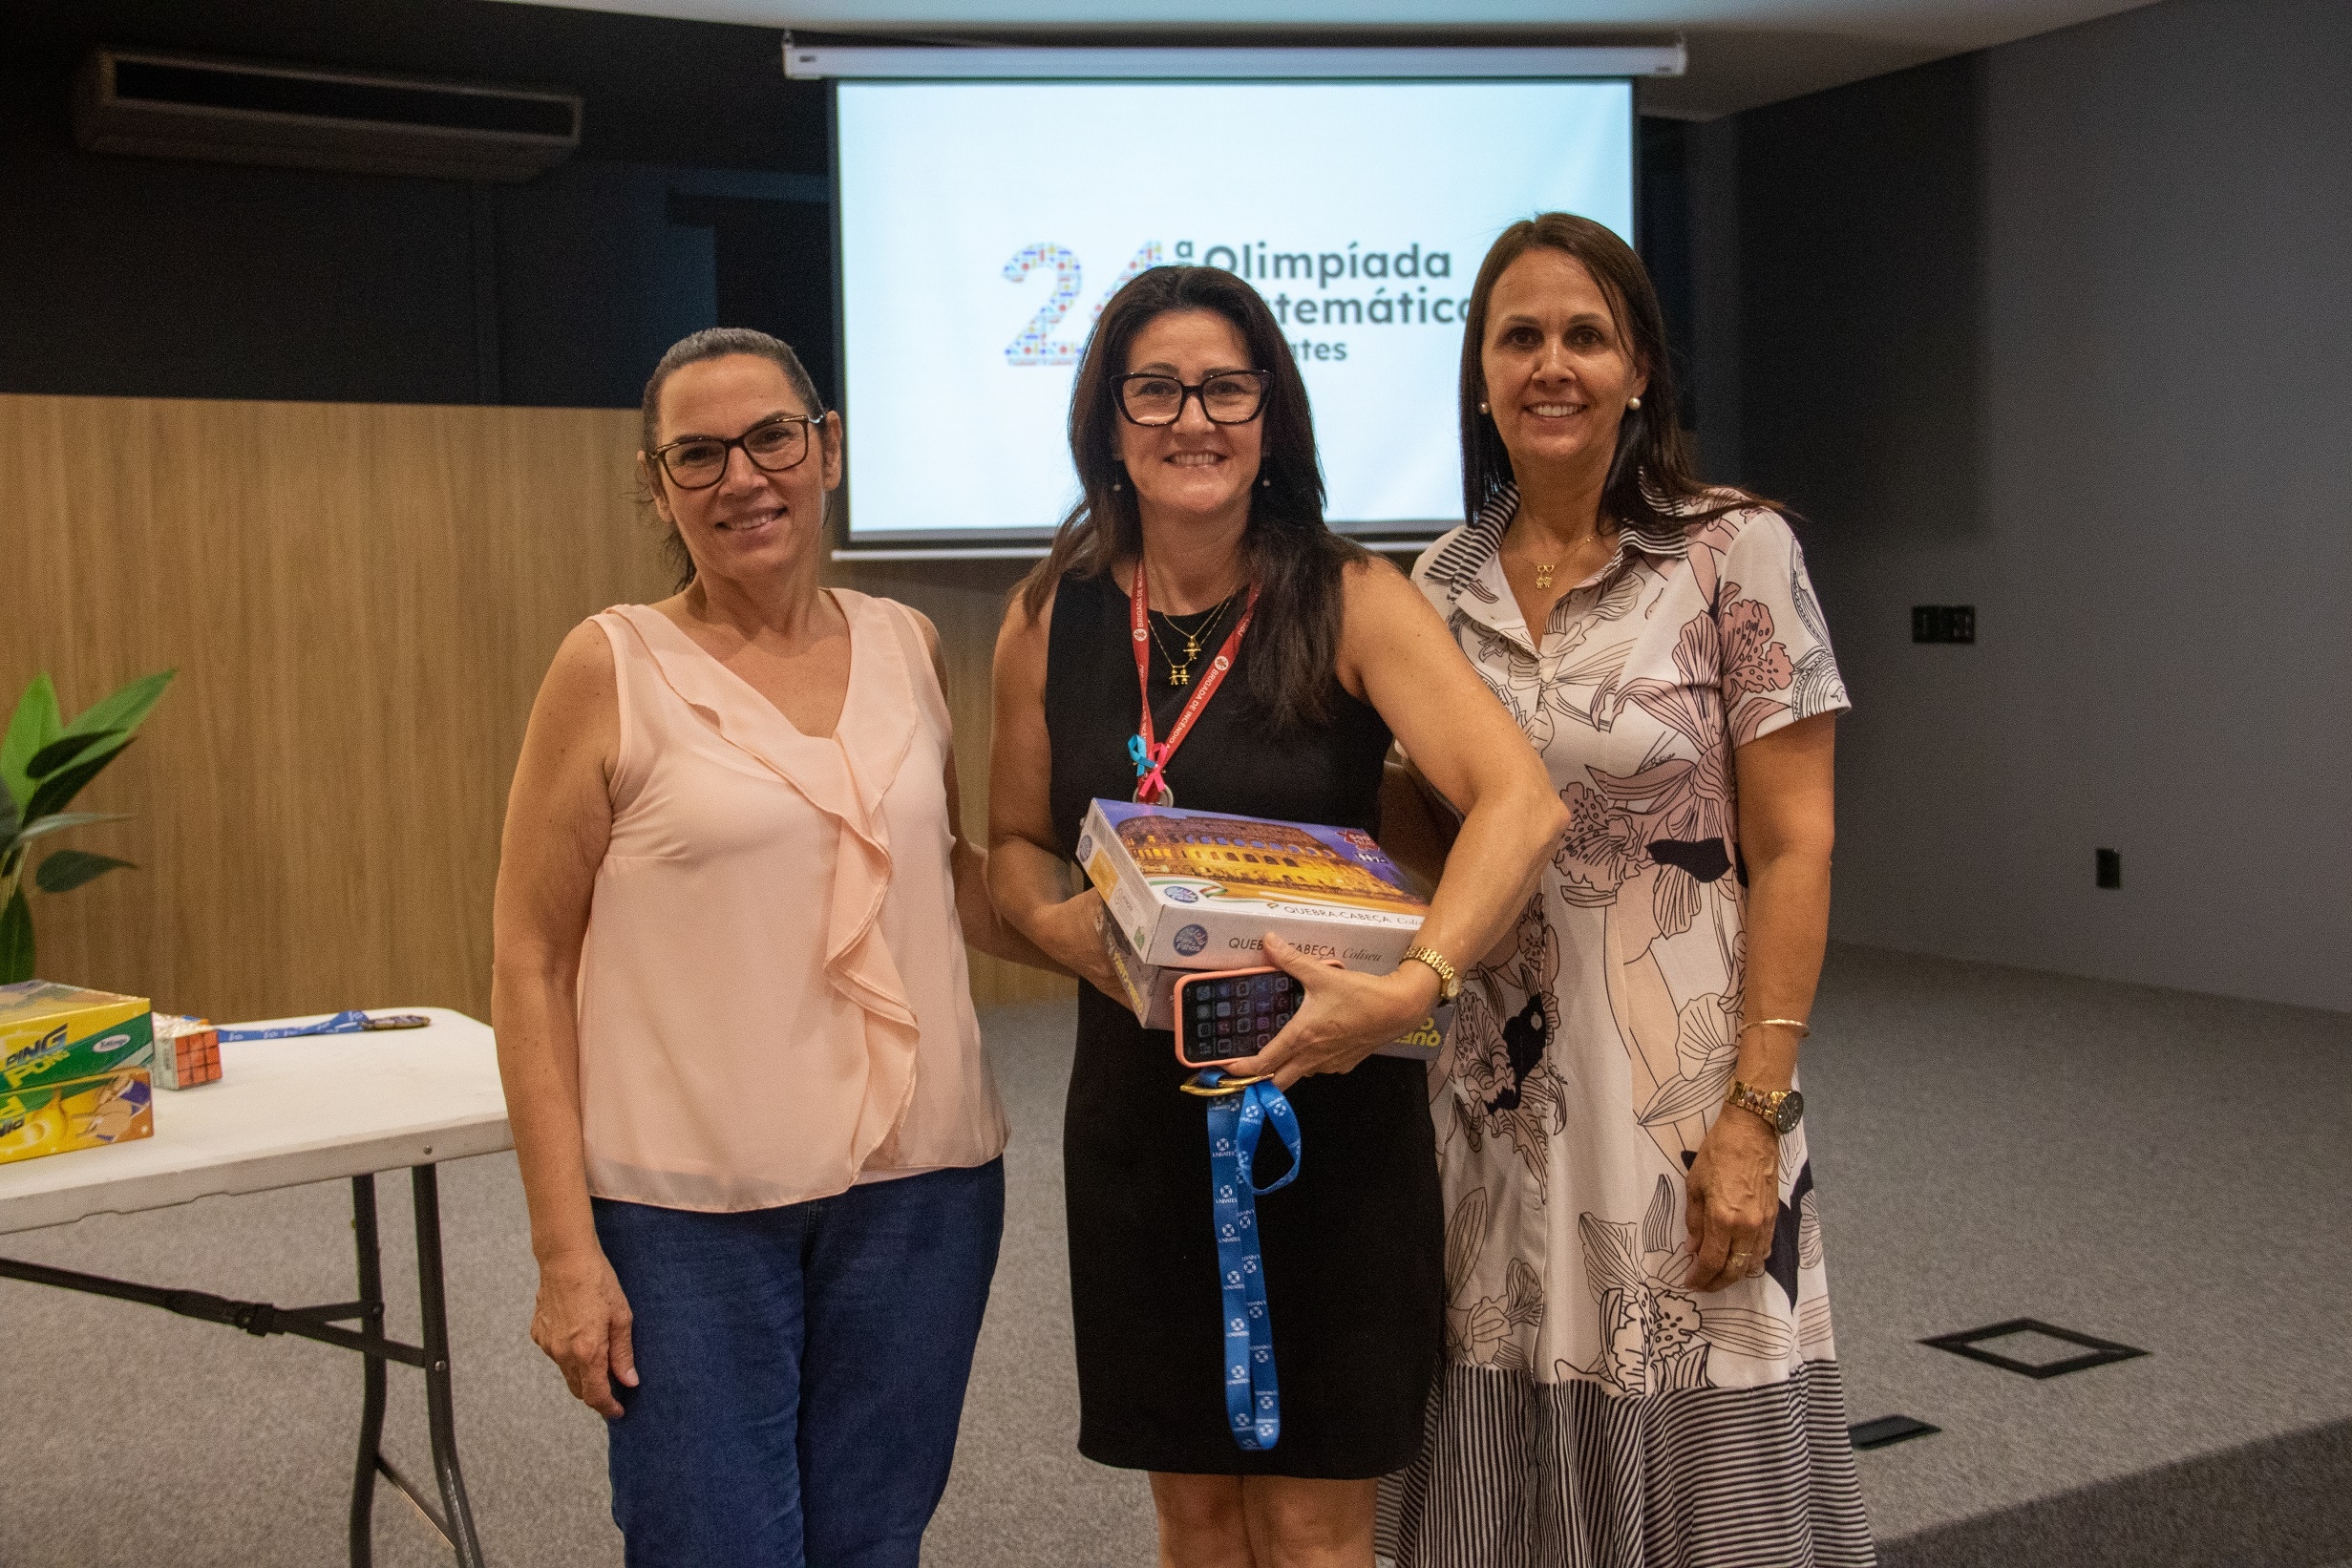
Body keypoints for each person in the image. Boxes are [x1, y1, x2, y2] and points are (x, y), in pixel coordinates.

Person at [986, 265, 1566, 1568]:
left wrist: (1416, 984)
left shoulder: (1350, 596)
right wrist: (1053, 924)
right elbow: (1014, 845)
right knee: (1193, 1514)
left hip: (1327, 1108)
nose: (1193, 419)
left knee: (1311, 1525)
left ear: (1271, 414)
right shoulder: (1050, 613)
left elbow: (1520, 805)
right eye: (1155, 389)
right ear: (1109, 422)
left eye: (1226, 389)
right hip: (1137, 1117)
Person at [491, 327, 1054, 1567]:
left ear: (828, 449)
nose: (742, 476)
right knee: (713, 1544)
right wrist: (563, 1250)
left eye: (771, 439)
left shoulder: (907, 643)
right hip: (687, 1212)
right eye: (698, 455)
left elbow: (937, 876)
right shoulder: (609, 665)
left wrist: (1134, 952)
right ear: (658, 488)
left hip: (924, 1185)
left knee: (873, 1541)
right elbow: (529, 959)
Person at [1376, 214, 1875, 1564]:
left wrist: (1759, 1111)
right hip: (1491, 1093)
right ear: (1482, 377)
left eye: (1585, 336)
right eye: (1519, 338)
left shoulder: (1733, 551)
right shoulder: (1437, 587)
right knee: (1496, 1404)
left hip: (1682, 1091)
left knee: (1696, 1425)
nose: (1552, 364)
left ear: (1639, 369)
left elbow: (1798, 847)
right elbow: (1435, 843)